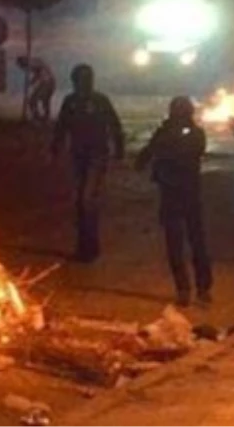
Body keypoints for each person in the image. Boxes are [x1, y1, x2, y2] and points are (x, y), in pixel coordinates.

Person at [136, 96, 211, 306]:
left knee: (182, 243)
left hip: (178, 193)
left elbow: (151, 153)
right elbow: (150, 152)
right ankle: (194, 289)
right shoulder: (186, 132)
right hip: (184, 194)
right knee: (190, 242)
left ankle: (191, 288)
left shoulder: (182, 133)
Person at [51, 64, 125, 263]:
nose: (84, 83)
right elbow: (61, 126)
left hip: (97, 156)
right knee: (80, 201)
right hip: (78, 156)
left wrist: (119, 148)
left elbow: (115, 124)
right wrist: (55, 148)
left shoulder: (100, 101)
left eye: (87, 79)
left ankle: (91, 247)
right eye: (81, 80)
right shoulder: (70, 102)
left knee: (87, 199)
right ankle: (83, 246)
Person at [22, 57, 56, 123]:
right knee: (39, 100)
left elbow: (39, 71)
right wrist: (31, 82)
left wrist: (31, 81)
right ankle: (40, 117)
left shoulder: (34, 63)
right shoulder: (35, 64)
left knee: (38, 100)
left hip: (48, 83)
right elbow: (38, 73)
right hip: (47, 83)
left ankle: (41, 117)